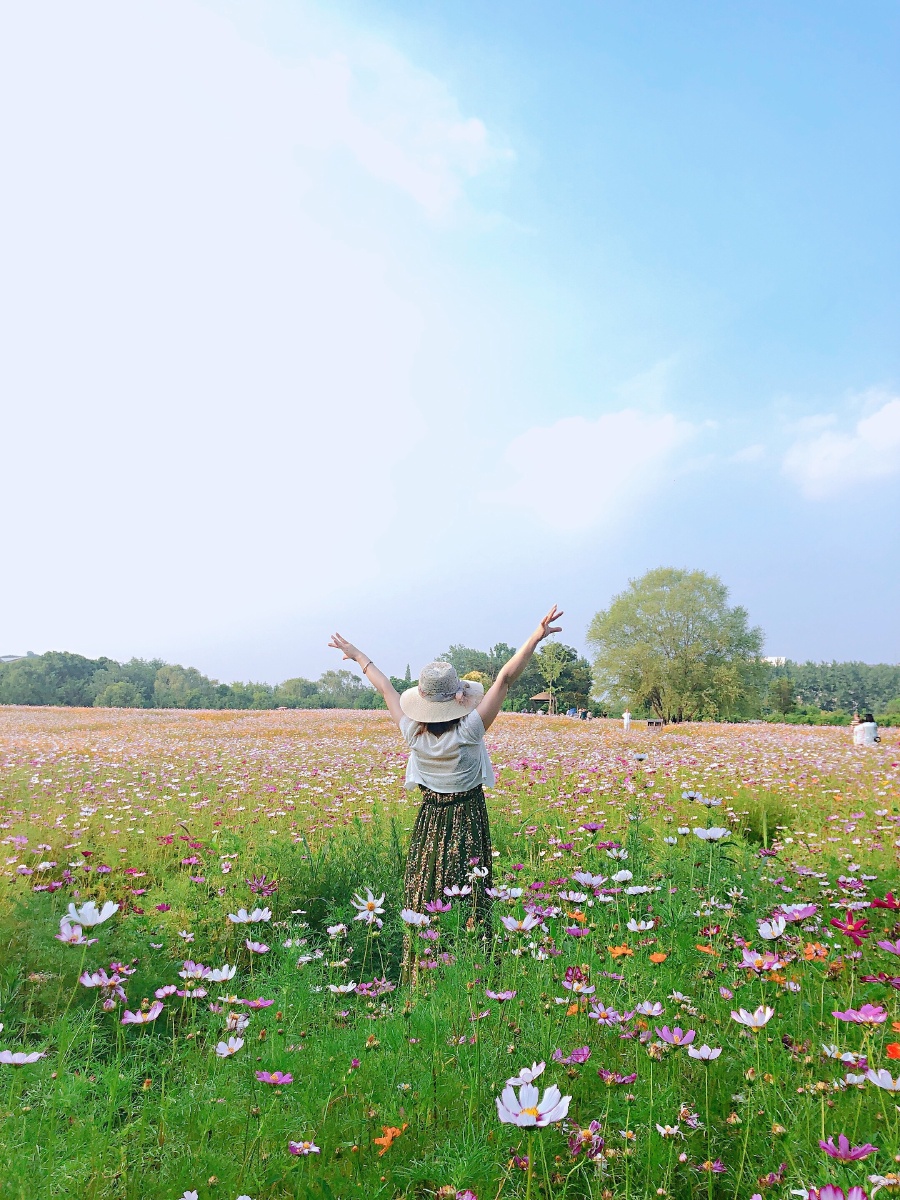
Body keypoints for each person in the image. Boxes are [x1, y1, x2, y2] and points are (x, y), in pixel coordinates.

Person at [327, 605, 564, 940]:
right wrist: (536, 638)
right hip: (469, 817)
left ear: (422, 701)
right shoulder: (470, 730)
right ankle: (470, 956)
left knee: (428, 885)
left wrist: (357, 656)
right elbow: (505, 679)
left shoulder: (412, 732)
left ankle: (426, 955)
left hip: (430, 820)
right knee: (469, 891)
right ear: (458, 697)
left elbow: (385, 688)